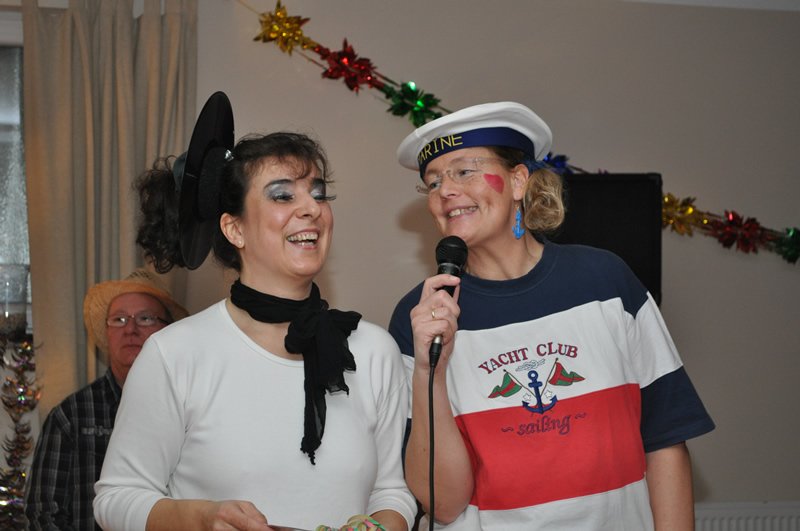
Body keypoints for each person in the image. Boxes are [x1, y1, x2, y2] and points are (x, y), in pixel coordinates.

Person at [93, 92, 416, 531]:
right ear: (235, 229)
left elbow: (391, 491)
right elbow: (116, 499)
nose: (312, 209)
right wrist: (202, 517)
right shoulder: (176, 354)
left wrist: (379, 526)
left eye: (319, 194)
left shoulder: (375, 350)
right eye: (282, 196)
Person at [389, 101, 715, 530]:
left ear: (518, 181)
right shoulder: (422, 318)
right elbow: (443, 506)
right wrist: (429, 373)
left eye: (464, 171)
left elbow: (665, 437)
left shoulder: (605, 281)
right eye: (433, 182)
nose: (445, 190)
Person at [25, 269, 188, 530]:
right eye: (119, 319)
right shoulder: (71, 416)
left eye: (145, 318)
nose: (131, 329)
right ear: (107, 333)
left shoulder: (190, 410)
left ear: (167, 330)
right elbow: (43, 514)